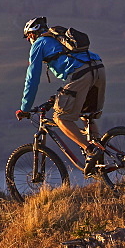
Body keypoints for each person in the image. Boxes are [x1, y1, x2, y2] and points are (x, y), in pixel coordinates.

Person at [16, 16, 106, 175]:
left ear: (32, 34)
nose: (28, 40)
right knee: (86, 115)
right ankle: (100, 156)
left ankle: (91, 150)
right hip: (98, 68)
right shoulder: (58, 38)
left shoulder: (39, 44)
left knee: (61, 118)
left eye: (28, 37)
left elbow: (32, 78)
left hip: (81, 74)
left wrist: (25, 108)